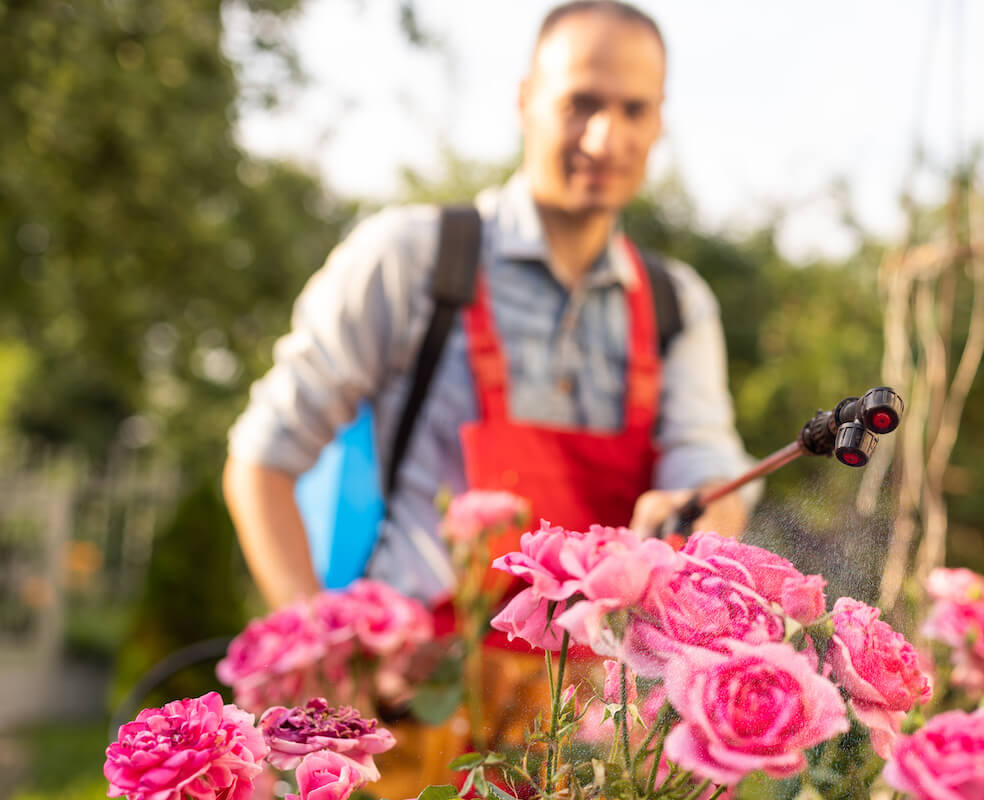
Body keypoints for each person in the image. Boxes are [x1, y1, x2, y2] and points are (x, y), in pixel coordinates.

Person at [223, 0, 758, 613]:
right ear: (526, 99)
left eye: (633, 109)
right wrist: (322, 655)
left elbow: (705, 458)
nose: (606, 136)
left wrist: (710, 500)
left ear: (660, 120)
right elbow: (261, 462)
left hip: (591, 700)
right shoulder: (413, 259)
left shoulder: (677, 304)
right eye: (581, 102)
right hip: (416, 691)